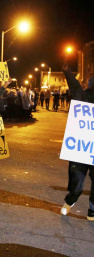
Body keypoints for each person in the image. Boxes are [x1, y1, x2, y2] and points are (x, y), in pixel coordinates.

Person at [61, 64, 94, 221]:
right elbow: (75, 89)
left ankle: (92, 211)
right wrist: (68, 72)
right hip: (82, 148)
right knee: (77, 181)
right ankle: (70, 200)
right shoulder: (84, 97)